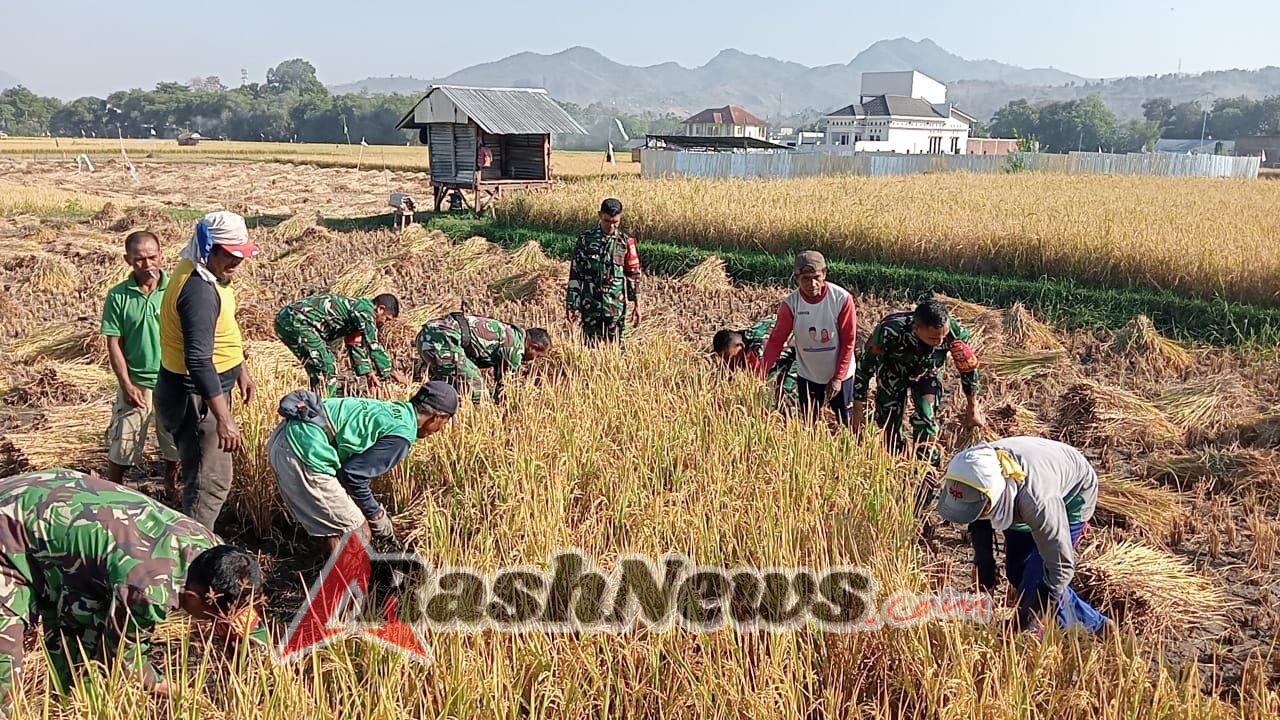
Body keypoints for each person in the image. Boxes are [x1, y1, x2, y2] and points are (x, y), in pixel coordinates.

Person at [0, 468, 265, 711]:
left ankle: (74, 706)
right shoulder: (147, 589)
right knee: (4, 671)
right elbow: (125, 660)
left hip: (52, 499)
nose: (211, 623)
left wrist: (255, 647)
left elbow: (242, 603)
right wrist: (175, 692)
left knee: (81, 651)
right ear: (194, 597)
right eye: (211, 617)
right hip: (11, 527)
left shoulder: (212, 549)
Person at [935, 437, 1110, 636]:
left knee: (1039, 580)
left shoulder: (1037, 502)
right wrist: (986, 571)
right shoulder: (971, 472)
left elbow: (1060, 568)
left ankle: (1098, 627)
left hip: (1073, 494)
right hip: (1021, 490)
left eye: (980, 509)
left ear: (994, 497)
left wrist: (1022, 624)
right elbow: (977, 518)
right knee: (1017, 572)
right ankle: (1065, 621)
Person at [155, 211, 260, 531]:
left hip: (204, 391)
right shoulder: (198, 291)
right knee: (209, 483)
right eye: (228, 254)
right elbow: (199, 359)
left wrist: (239, 368)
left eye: (240, 254)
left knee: (204, 476)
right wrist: (225, 419)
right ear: (207, 246)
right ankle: (191, 556)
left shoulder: (204, 272)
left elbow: (220, 332)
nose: (235, 262)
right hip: (196, 397)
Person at [267, 382, 459, 556]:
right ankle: (343, 591)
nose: (440, 430)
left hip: (287, 436)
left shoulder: (394, 410)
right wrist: (376, 515)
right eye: (444, 423)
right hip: (303, 451)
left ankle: (334, 584)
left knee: (338, 524)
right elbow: (352, 475)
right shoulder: (402, 437)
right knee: (358, 531)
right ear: (437, 417)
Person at [851, 298, 986, 465]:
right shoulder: (889, 331)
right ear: (916, 329)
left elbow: (968, 369)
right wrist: (857, 410)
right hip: (893, 371)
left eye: (943, 336)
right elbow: (865, 369)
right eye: (934, 339)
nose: (941, 342)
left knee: (926, 419)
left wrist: (973, 408)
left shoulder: (953, 332)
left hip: (927, 373)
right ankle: (896, 463)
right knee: (888, 422)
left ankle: (926, 469)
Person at [100, 230, 180, 497]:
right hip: (136, 381)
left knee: (173, 441)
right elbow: (114, 343)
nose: (147, 265)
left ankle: (171, 488)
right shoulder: (119, 296)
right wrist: (126, 383)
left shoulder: (175, 291)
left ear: (161, 255)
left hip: (171, 379)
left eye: (152, 257)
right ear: (127, 260)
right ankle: (113, 494)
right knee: (123, 441)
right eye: (139, 259)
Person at [759, 251, 857, 427]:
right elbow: (776, 340)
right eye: (805, 278)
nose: (811, 284)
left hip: (841, 375)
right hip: (809, 375)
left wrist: (838, 378)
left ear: (824, 274)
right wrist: (761, 371)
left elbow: (848, 341)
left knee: (846, 422)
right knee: (808, 424)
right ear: (796, 278)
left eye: (816, 277)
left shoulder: (841, 299)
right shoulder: (791, 304)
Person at [274, 292, 408, 396]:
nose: (384, 323)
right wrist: (390, 372)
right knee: (326, 366)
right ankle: (326, 406)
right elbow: (373, 344)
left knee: (317, 368)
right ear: (380, 309)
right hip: (296, 321)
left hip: (287, 321)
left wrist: (368, 373)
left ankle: (317, 400)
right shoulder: (365, 311)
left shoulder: (356, 315)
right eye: (387, 318)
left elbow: (354, 344)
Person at [415, 312, 551, 405]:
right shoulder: (515, 348)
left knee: (448, 387)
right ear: (533, 346)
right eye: (537, 356)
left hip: (427, 336)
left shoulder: (510, 333)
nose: (533, 360)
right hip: (442, 340)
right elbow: (505, 388)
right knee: (478, 391)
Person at [565, 198, 643, 345]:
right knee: (589, 349)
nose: (611, 226)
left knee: (616, 352)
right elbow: (575, 273)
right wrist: (571, 304)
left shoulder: (626, 242)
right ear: (600, 215)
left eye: (615, 222)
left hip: (615, 309)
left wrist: (637, 305)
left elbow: (633, 274)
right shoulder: (585, 240)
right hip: (590, 308)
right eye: (607, 221)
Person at [711, 316, 799, 411]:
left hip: (806, 351)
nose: (727, 363)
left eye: (729, 359)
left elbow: (770, 383)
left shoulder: (762, 347)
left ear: (740, 346)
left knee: (788, 393)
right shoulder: (743, 339)